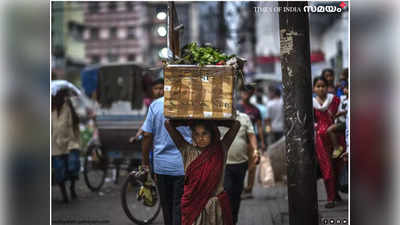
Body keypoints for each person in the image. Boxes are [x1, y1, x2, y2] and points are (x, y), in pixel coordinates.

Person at [165, 119, 241, 225]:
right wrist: (190, 121)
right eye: (196, 134)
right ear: (193, 136)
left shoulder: (221, 149)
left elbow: (236, 124)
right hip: (193, 207)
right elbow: (168, 124)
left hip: (215, 207)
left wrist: (213, 122)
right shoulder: (187, 150)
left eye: (204, 133)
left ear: (212, 134)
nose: (200, 138)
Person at [141, 97, 192, 225]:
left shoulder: (156, 105)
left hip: (161, 167)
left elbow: (147, 135)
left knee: (167, 206)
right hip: (184, 166)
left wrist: (145, 164)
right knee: (180, 207)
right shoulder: (191, 103)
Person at [221, 111, 258, 224]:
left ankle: (233, 220)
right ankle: (226, 220)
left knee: (237, 194)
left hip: (241, 163)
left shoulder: (244, 117)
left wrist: (255, 151)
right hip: (224, 163)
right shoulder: (219, 116)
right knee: (227, 193)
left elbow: (251, 135)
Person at [313, 76, 343, 208]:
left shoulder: (335, 100)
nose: (321, 89)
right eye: (318, 86)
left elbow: (342, 116)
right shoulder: (311, 103)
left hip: (336, 136)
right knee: (327, 167)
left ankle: (335, 193)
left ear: (327, 87)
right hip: (320, 138)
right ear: (314, 88)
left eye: (323, 86)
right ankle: (330, 198)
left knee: (338, 166)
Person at [51, 89, 81, 203]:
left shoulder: (69, 108)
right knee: (59, 171)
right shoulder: (50, 111)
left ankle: (72, 187)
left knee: (73, 168)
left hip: (70, 143)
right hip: (55, 146)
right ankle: (64, 195)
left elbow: (76, 122)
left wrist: (72, 111)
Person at [236, 84, 265, 199]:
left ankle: (249, 189)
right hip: (238, 141)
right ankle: (241, 188)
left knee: (252, 166)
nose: (246, 94)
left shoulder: (255, 110)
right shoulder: (236, 107)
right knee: (241, 166)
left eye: (249, 92)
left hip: (251, 142)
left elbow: (259, 127)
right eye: (244, 92)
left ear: (252, 94)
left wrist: (262, 142)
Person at [327, 82, 348, 158]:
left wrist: (343, 112)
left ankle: (337, 147)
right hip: (341, 121)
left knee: (330, 129)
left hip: (346, 122)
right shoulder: (342, 98)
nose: (345, 90)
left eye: (347, 88)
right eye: (345, 88)